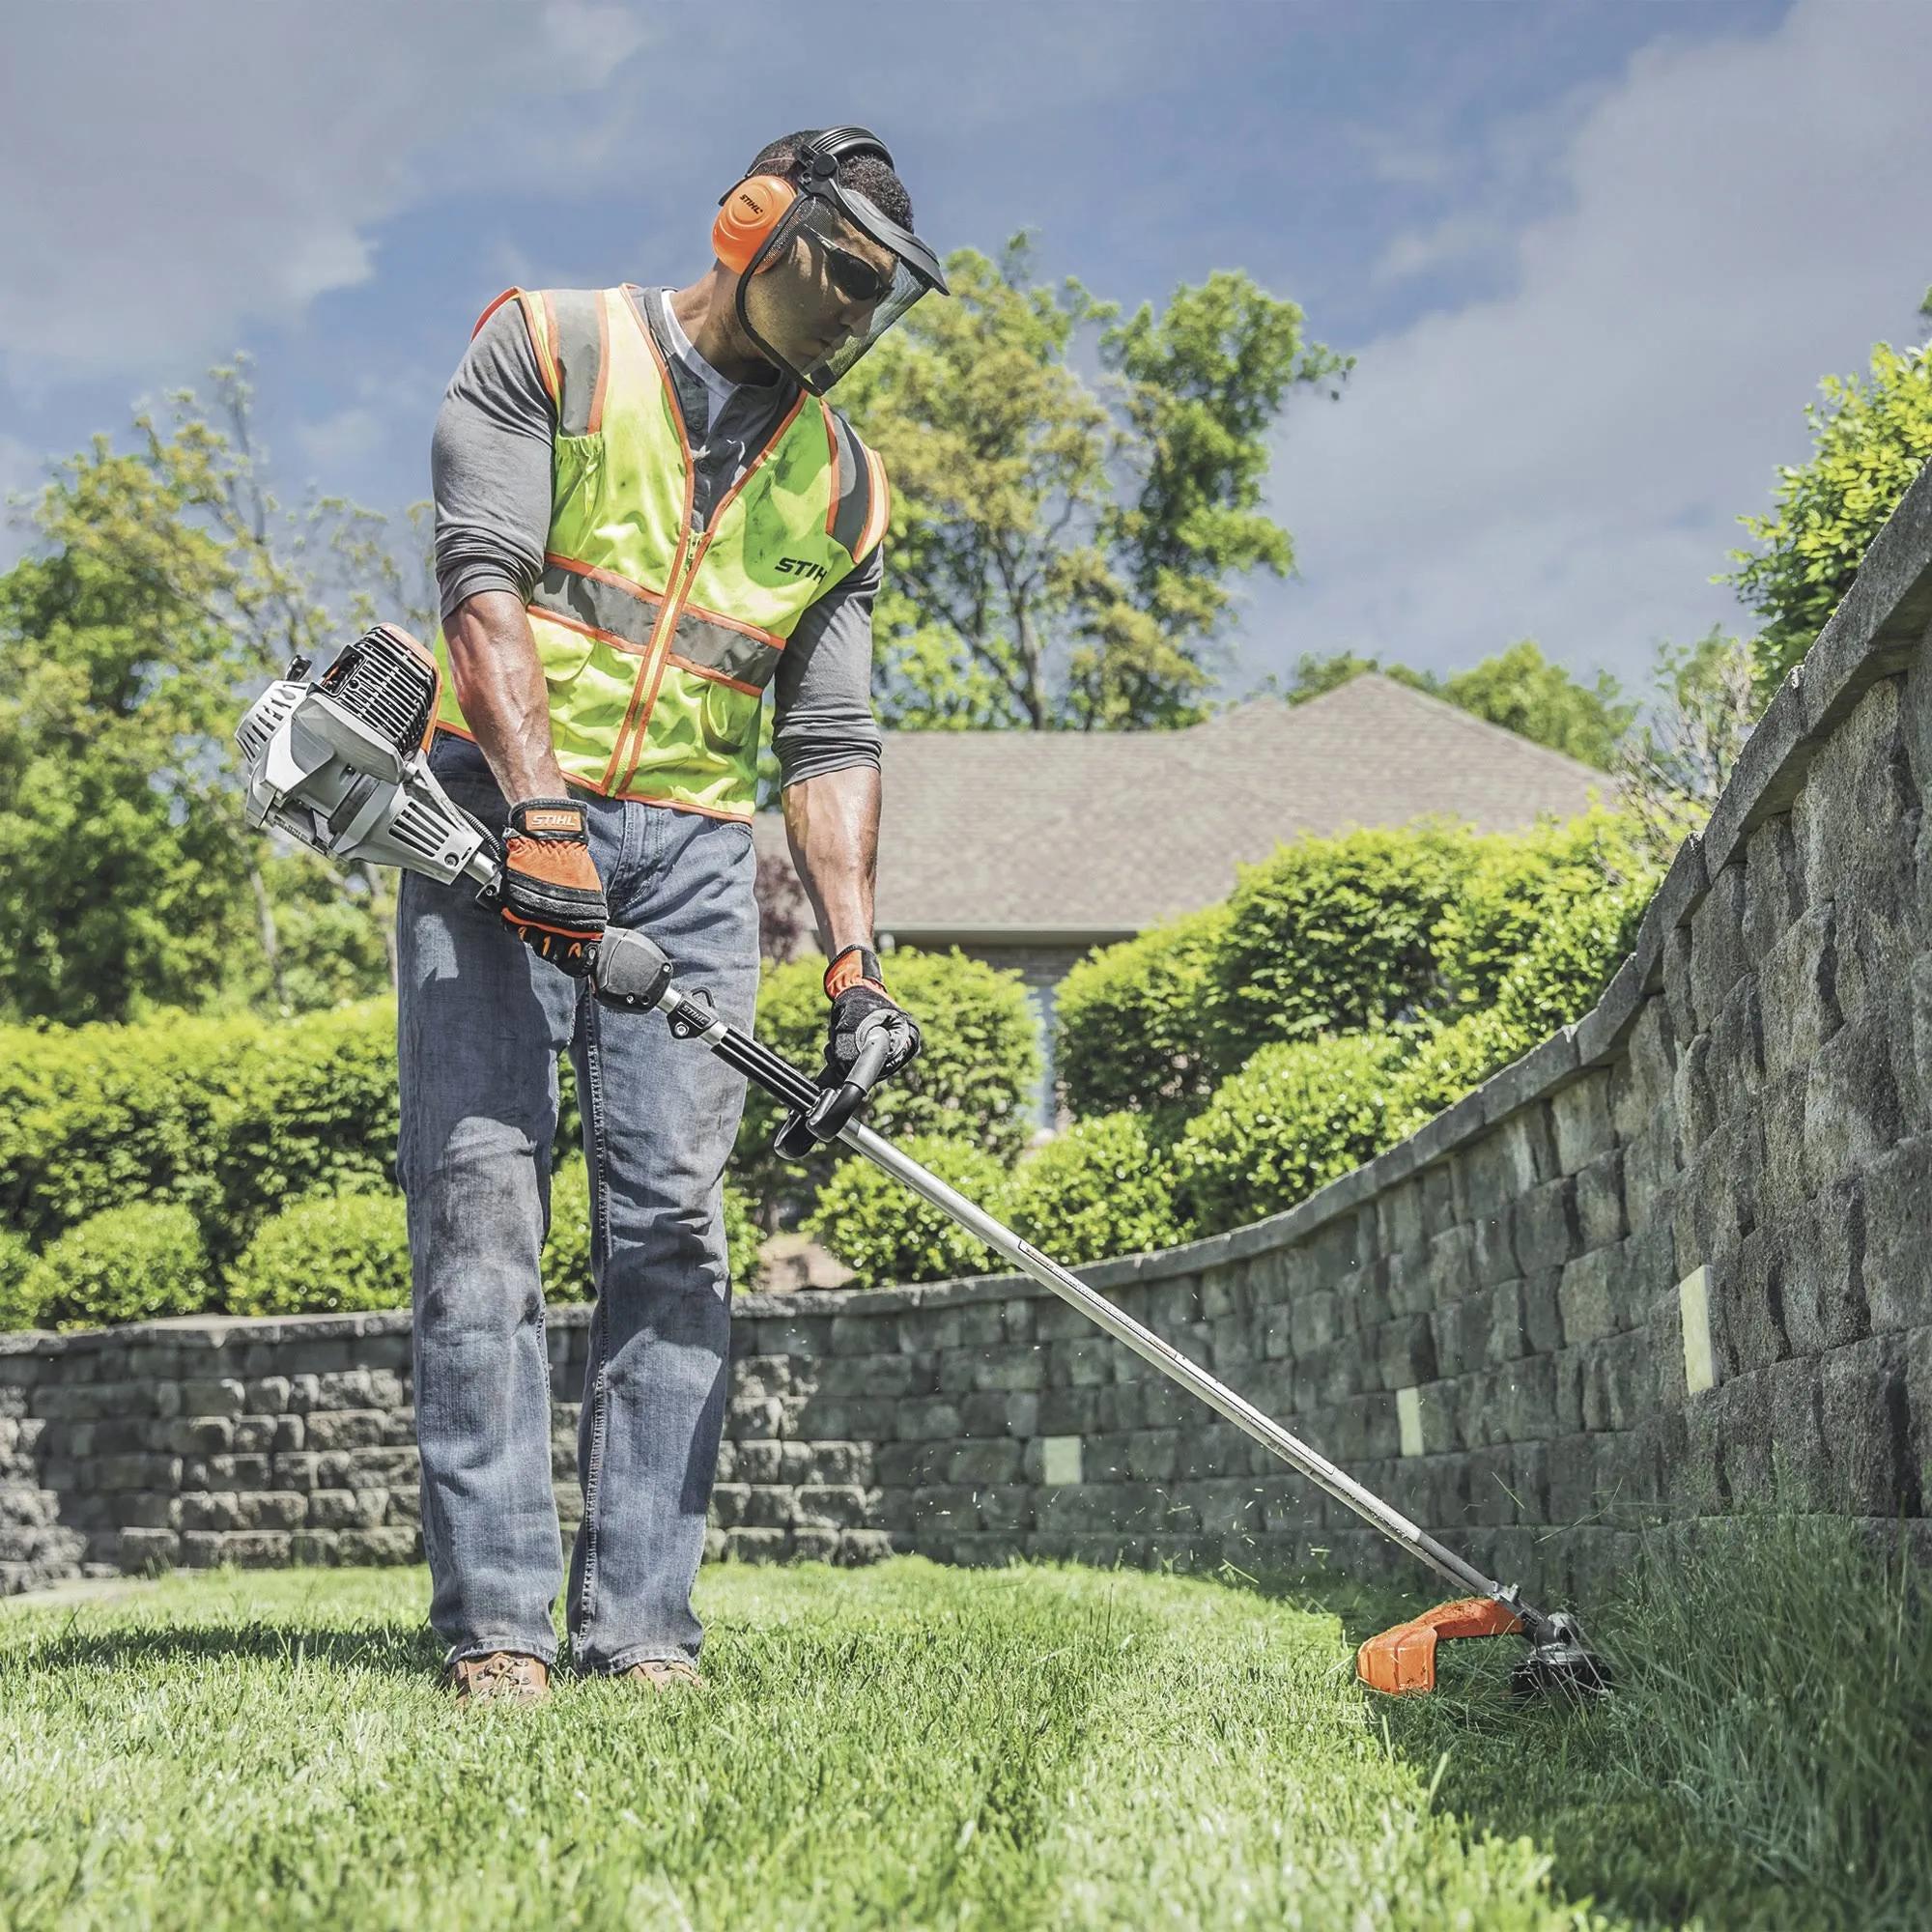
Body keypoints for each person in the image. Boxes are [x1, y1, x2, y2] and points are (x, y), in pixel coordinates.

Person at [401, 128, 945, 1704]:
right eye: (840, 273)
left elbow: (828, 738)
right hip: (491, 816)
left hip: (700, 864)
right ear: (754, 225)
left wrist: (855, 964)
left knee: (673, 1236)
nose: (855, 314)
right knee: (481, 1213)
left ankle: (642, 1628)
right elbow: (482, 583)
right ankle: (496, 1624)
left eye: (879, 295)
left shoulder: (843, 483)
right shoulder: (552, 349)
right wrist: (544, 815)